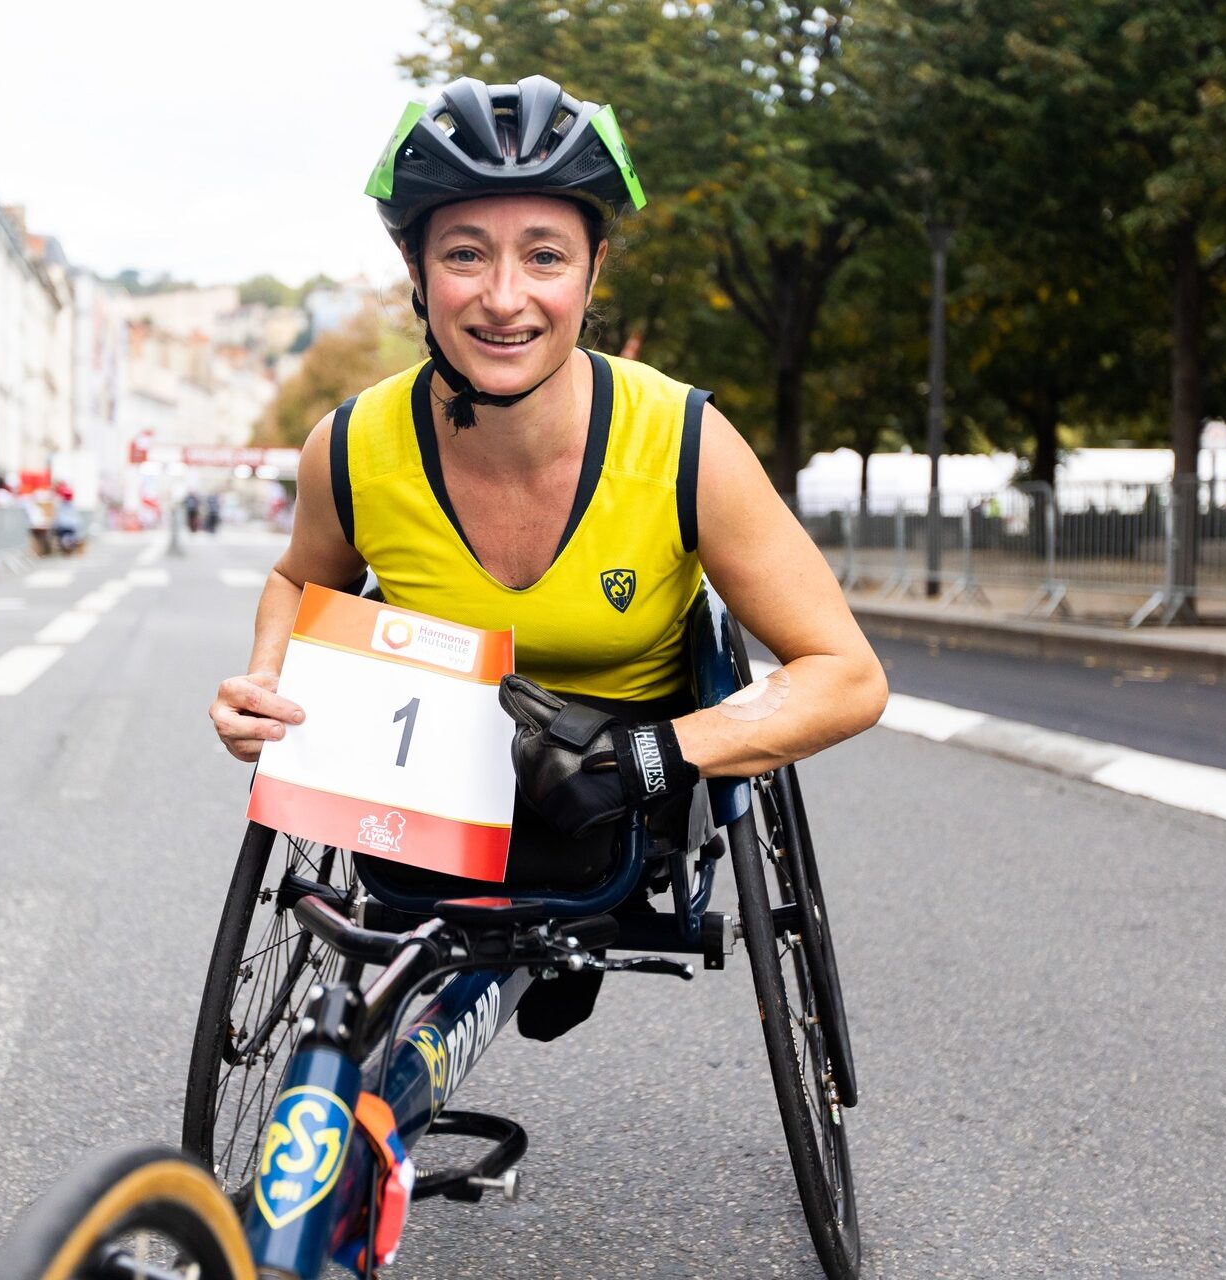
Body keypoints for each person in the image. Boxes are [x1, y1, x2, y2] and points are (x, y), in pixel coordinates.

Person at [208, 74, 888, 1038]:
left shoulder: (683, 444)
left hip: (622, 783)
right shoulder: (352, 446)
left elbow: (847, 675)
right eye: (465, 255)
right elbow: (297, 578)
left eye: (544, 256)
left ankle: (566, 933)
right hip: (429, 786)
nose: (503, 298)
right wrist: (264, 679)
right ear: (416, 267)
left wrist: (653, 757)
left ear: (594, 270)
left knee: (582, 857)